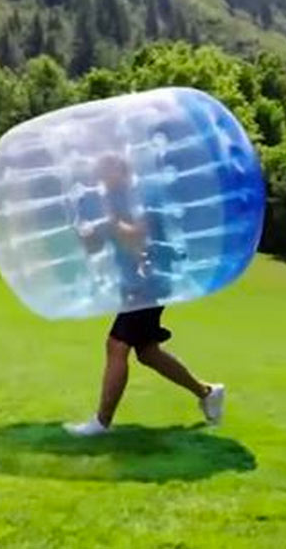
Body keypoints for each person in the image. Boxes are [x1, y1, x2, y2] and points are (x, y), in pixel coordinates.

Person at [64, 153, 225, 436]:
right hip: (134, 284)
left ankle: (101, 423)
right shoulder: (111, 199)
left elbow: (138, 237)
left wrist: (107, 216)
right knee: (148, 352)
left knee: (116, 346)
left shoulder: (141, 196)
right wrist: (82, 228)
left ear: (121, 169)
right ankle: (207, 392)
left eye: (105, 170)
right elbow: (95, 247)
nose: (99, 176)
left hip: (150, 281)